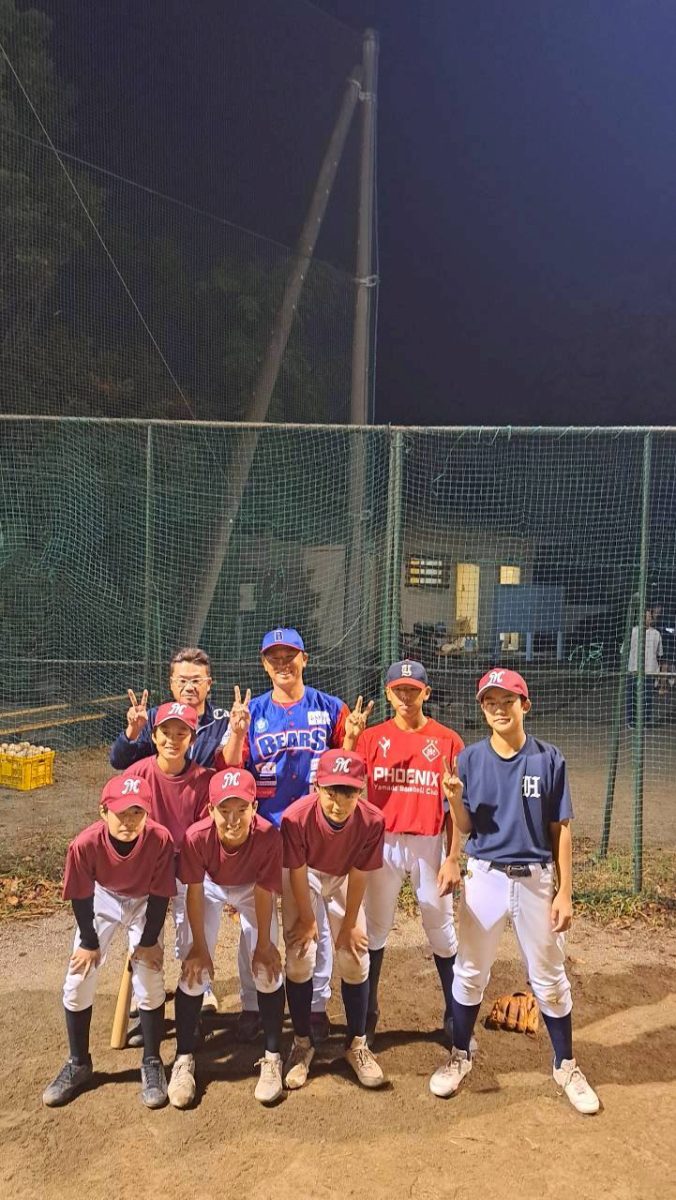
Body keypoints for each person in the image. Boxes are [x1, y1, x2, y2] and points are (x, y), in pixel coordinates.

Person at [430, 668, 600, 1116]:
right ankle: (460, 1055)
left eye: (508, 701)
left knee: (549, 977)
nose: (499, 709)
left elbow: (560, 829)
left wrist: (565, 891)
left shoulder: (548, 758)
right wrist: (454, 799)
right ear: (483, 709)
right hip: (485, 875)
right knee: (470, 972)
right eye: (490, 702)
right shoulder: (469, 759)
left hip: (535, 879)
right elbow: (465, 826)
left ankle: (565, 1065)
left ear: (525, 705)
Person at [218, 627, 371, 1042]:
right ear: (264, 665)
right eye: (274, 658)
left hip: (314, 832)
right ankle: (253, 1002)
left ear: (305, 659)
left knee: (311, 922)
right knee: (256, 926)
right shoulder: (253, 712)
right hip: (265, 831)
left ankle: (316, 1006)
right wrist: (236, 731)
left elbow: (346, 768)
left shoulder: (330, 707)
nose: (283, 664)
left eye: (290, 656)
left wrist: (351, 737)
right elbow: (230, 769)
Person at [343, 659, 465, 1044]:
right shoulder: (371, 738)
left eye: (413, 690)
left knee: (440, 928)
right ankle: (368, 1013)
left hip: (429, 842)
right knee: (376, 929)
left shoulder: (447, 740)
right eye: (399, 690)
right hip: (383, 841)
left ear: (426, 693)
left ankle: (455, 1014)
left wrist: (452, 857)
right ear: (388, 693)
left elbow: (455, 806)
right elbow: (341, 781)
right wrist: (350, 740)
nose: (406, 697)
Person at [42, 774, 176, 1109]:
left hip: (144, 900)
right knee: (77, 978)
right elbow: (80, 895)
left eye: (137, 813)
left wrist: (148, 942)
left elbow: (160, 894)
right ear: (103, 812)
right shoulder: (85, 844)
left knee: (150, 977)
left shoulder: (160, 839)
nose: (129, 821)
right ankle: (78, 1063)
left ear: (147, 814)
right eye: (121, 813)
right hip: (102, 897)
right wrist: (89, 942)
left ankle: (152, 1060)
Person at [169, 767, 285, 1107]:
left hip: (251, 888)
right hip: (210, 886)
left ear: (254, 808)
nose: (233, 820)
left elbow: (264, 891)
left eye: (241, 809)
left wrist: (263, 945)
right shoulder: (196, 836)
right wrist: (199, 947)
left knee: (266, 967)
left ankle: (273, 1057)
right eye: (224, 810)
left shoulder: (268, 836)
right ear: (210, 810)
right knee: (193, 970)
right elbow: (193, 891)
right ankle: (183, 1058)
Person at [280, 748, 386, 1091]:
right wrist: (308, 919)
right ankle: (302, 1043)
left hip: (343, 877)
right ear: (316, 787)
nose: (339, 802)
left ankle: (357, 1044)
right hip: (306, 875)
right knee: (300, 955)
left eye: (349, 793)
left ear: (361, 791)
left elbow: (359, 873)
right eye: (331, 792)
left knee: (354, 954)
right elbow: (297, 871)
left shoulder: (371, 820)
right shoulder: (296, 817)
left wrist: (351, 923)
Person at [124, 701, 213, 1042]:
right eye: (165, 732)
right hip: (148, 871)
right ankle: (151, 1013)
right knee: (145, 942)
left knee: (192, 939)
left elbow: (203, 837)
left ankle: (192, 1013)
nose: (172, 740)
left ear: (192, 739)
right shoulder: (137, 775)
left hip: (188, 870)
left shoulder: (203, 779)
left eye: (181, 733)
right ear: (153, 735)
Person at [110, 647, 230, 770]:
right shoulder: (153, 717)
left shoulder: (224, 721)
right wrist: (133, 731)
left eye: (196, 681)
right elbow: (118, 762)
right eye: (182, 681)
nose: (189, 687)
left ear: (209, 684)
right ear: (171, 684)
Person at [626, 609, 664, 728]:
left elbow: (659, 654)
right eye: (643, 616)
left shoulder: (656, 634)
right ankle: (631, 721)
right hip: (634, 669)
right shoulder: (633, 631)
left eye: (648, 616)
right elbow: (624, 650)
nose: (645, 618)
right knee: (631, 696)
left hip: (649, 670)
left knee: (647, 697)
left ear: (651, 619)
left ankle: (646, 721)